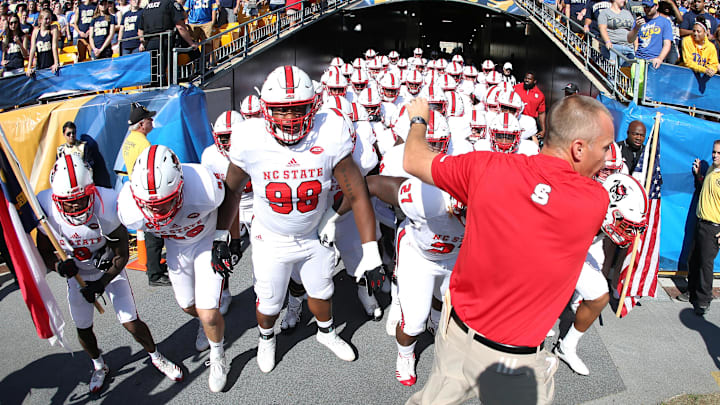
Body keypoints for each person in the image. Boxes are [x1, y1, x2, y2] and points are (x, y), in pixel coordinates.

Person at [402, 95, 614, 405]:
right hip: (518, 363)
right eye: (605, 146)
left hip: (458, 337)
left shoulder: (485, 167)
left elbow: (413, 160)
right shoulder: (594, 200)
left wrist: (419, 119)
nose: (607, 158)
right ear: (578, 148)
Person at [216, 65, 384, 374]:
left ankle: (327, 332)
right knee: (268, 305)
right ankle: (267, 339)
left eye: (298, 109)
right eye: (281, 110)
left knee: (323, 293)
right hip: (271, 238)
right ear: (266, 109)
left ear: (315, 105)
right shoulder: (249, 137)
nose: (290, 119)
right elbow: (232, 191)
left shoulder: (331, 131)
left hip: (313, 234)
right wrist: (221, 238)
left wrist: (371, 254)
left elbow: (358, 194)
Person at [36, 155, 183, 394]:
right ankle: (98, 365)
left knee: (131, 322)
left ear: (92, 191)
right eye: (68, 201)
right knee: (83, 327)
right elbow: (43, 251)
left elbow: (122, 255)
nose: (74, 206)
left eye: (81, 199)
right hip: (77, 275)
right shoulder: (45, 206)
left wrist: (101, 283)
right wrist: (58, 266)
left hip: (109, 272)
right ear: (55, 198)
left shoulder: (108, 203)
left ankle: (155, 355)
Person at [117, 145, 230, 392]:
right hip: (177, 247)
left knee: (209, 310)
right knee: (187, 304)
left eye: (165, 203)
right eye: (149, 205)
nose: (156, 210)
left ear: (180, 187)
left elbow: (230, 199)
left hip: (205, 240)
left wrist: (225, 238)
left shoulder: (203, 185)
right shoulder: (129, 208)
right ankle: (205, 324)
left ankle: (219, 356)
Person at [555, 173, 648, 376]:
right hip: (553, 247)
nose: (627, 233)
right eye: (624, 224)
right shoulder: (580, 206)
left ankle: (566, 346)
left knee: (598, 296)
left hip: (579, 250)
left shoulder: (602, 217)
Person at [121, 102, 171, 287]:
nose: (152, 121)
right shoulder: (143, 144)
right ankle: (155, 273)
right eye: (149, 119)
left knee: (152, 231)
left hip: (137, 188)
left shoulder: (130, 140)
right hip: (146, 191)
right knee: (154, 233)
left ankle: (155, 269)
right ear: (141, 124)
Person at [678, 140, 720, 316]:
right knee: (694, 259)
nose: (715, 155)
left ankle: (703, 300)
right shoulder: (712, 169)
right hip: (700, 223)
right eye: (714, 152)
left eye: (719, 153)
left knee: (705, 265)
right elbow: (706, 188)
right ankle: (692, 291)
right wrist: (698, 176)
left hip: (713, 227)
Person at [139, 0, 196, 86]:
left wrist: (143, 43)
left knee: (153, 72)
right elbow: (180, 26)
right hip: (165, 41)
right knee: (163, 70)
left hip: (149, 43)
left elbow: (140, 31)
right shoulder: (170, 3)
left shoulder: (146, 8)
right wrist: (191, 43)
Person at [56, 121, 112, 188]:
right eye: (68, 133)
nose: (71, 135)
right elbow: (58, 169)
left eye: (73, 133)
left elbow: (90, 164)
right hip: (67, 185)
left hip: (82, 183)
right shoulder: (60, 150)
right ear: (64, 134)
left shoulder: (83, 146)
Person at [627, 0, 673, 68]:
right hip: (639, 59)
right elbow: (630, 39)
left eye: (649, 7)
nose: (647, 9)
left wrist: (660, 58)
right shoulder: (639, 21)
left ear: (656, 6)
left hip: (654, 61)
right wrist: (636, 28)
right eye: (645, 6)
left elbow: (667, 44)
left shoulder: (665, 22)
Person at [598, 0, 636, 66]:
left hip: (628, 47)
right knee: (613, 73)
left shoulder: (628, 13)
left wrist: (636, 46)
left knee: (626, 74)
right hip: (613, 47)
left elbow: (634, 30)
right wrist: (607, 41)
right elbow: (602, 28)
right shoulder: (605, 13)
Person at [513, 71, 547, 139]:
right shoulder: (515, 88)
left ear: (534, 81)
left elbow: (541, 113)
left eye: (529, 79)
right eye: (526, 78)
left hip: (529, 124)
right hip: (515, 121)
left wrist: (543, 129)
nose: (527, 80)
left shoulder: (540, 95)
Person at [26, 9, 59, 75]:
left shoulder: (53, 29)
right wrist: (29, 67)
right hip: (40, 63)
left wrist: (56, 63)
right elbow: (32, 49)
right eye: (46, 19)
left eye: (49, 18)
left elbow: (54, 46)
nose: (48, 21)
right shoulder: (35, 31)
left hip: (50, 62)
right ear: (40, 20)